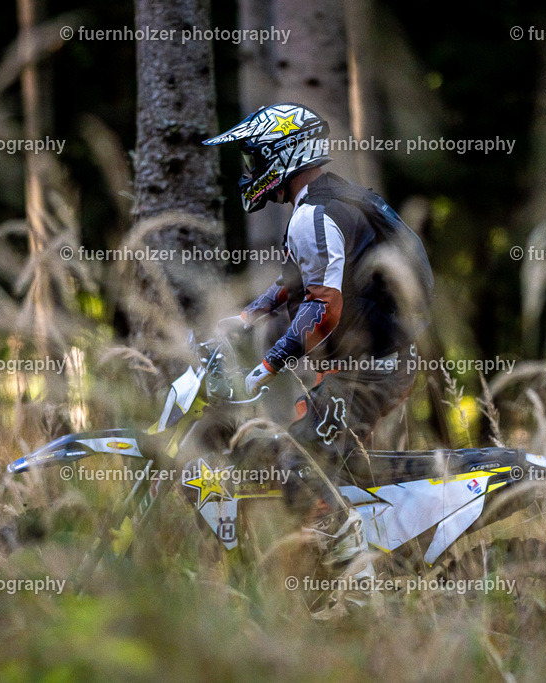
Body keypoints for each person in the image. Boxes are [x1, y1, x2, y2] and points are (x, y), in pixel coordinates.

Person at [203, 103, 433, 613]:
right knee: (329, 461)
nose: (250, 169)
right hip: (376, 363)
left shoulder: (316, 213)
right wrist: (247, 318)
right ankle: (370, 566)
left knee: (299, 463)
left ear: (283, 153)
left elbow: (323, 310)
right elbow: (295, 285)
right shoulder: (335, 200)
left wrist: (267, 366)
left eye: (255, 156)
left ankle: (356, 602)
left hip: (371, 369)